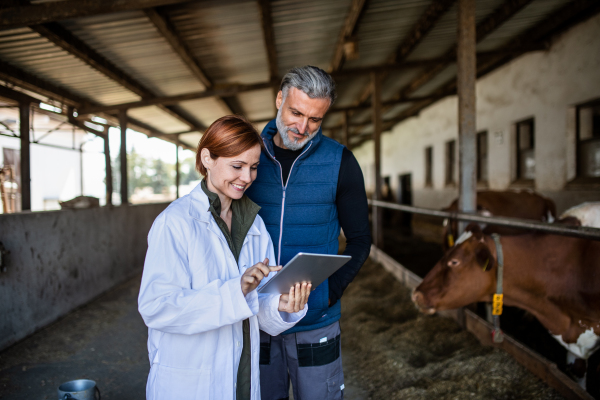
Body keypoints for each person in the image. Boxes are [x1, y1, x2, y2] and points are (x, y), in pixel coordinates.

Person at [138, 115, 312, 400]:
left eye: (253, 167)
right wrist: (236, 290)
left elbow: (258, 309)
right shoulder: (176, 222)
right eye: (237, 166)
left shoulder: (254, 225)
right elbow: (156, 307)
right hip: (191, 381)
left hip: (241, 376)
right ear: (207, 158)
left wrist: (282, 305)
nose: (247, 177)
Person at [245, 66, 371, 399]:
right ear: (279, 100)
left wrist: (330, 291)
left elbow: (360, 239)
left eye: (315, 119)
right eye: (296, 112)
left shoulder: (340, 161)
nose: (302, 127)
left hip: (316, 323)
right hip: (256, 318)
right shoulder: (248, 158)